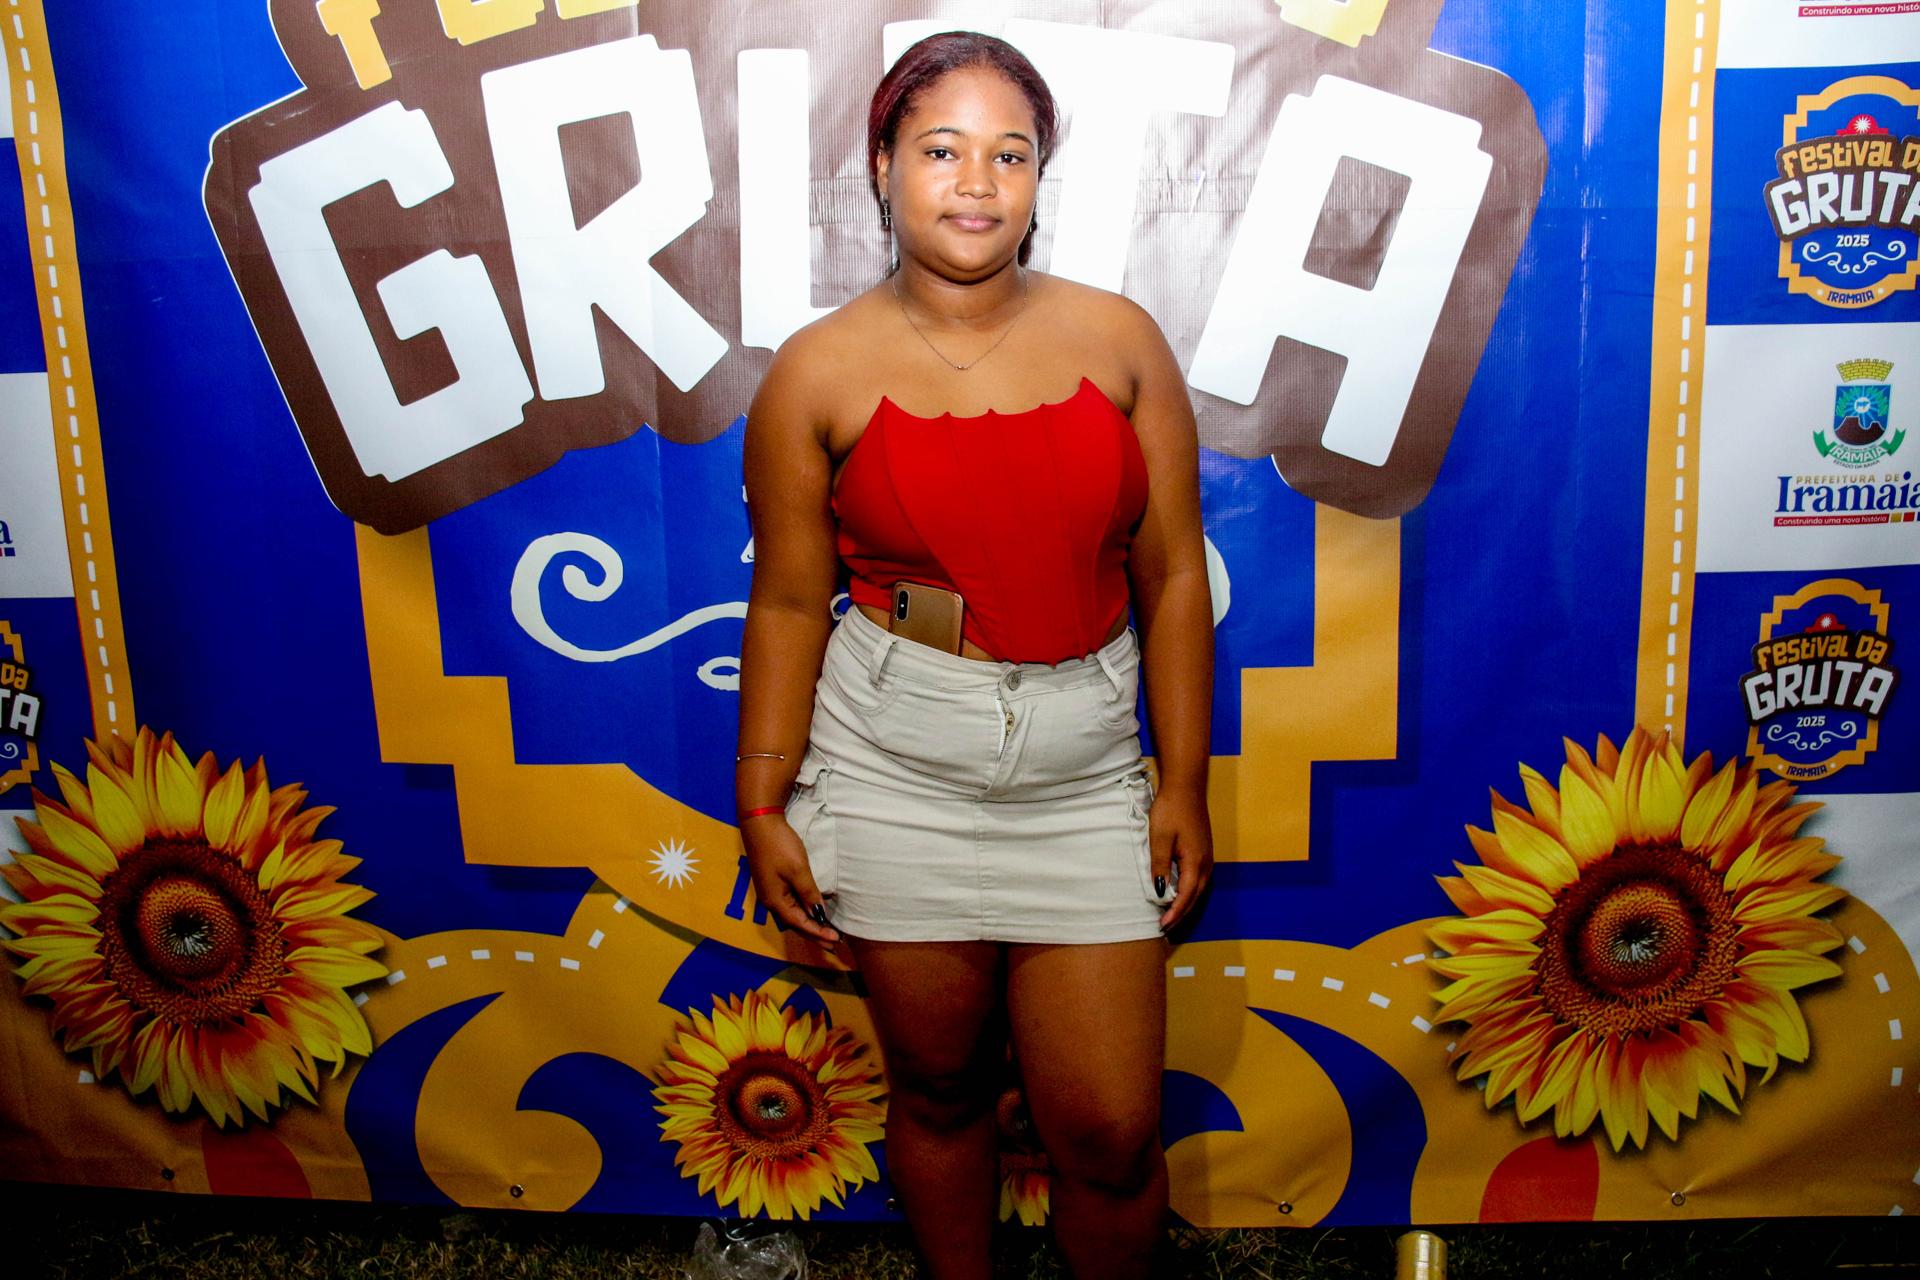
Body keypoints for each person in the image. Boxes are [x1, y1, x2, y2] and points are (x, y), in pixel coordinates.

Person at [736, 30, 1214, 1280]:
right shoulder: (814, 373)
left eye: (1010, 154)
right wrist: (763, 796)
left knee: (1110, 1131)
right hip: (893, 767)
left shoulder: (1122, 341)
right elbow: (788, 602)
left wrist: (1182, 782)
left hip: (1085, 774)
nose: (976, 182)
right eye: (942, 149)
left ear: (1040, 178)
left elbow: (1171, 578)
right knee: (941, 1088)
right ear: (881, 166)